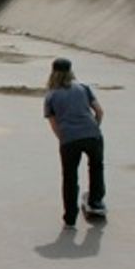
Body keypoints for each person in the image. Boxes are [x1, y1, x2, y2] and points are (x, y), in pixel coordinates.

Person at [43, 57, 105, 229]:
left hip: (69, 139)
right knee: (96, 167)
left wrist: (64, 140)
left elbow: (54, 124)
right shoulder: (83, 88)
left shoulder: (51, 96)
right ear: (71, 71)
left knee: (70, 177)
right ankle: (96, 202)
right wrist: (95, 129)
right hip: (93, 135)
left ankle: (70, 216)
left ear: (53, 73)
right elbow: (99, 111)